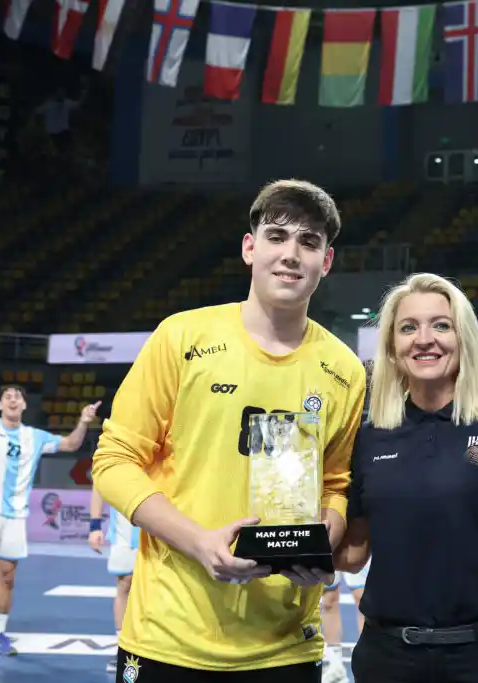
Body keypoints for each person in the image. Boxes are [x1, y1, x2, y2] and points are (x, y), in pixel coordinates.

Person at [92, 179, 368, 682]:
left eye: (309, 242)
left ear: (326, 262)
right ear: (249, 248)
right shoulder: (181, 337)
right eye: (277, 236)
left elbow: (335, 484)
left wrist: (322, 540)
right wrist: (199, 542)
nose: (291, 254)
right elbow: (113, 461)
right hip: (168, 637)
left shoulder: (345, 370)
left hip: (285, 647)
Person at [336, 273, 478, 683]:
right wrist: (286, 536)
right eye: (408, 327)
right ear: (393, 349)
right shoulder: (367, 437)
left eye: (441, 325)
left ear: (463, 338)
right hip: (386, 658)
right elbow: (354, 553)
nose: (424, 339)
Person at [0, 373, 98, 659]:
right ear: (0, 405)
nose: (13, 399)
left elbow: (71, 445)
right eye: (7, 396)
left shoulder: (34, 437)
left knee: (7, 578)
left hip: (15, 517)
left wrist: (84, 422)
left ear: (24, 406)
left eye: (18, 396)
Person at [88, 487, 140, 633]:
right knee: (125, 582)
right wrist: (95, 527)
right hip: (124, 530)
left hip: (158, 529)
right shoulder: (116, 464)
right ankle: (122, 641)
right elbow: (99, 486)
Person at [317, 559, 369, 683]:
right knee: (329, 599)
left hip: (357, 542)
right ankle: (335, 664)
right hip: (329, 544)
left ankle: (368, 660)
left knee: (363, 598)